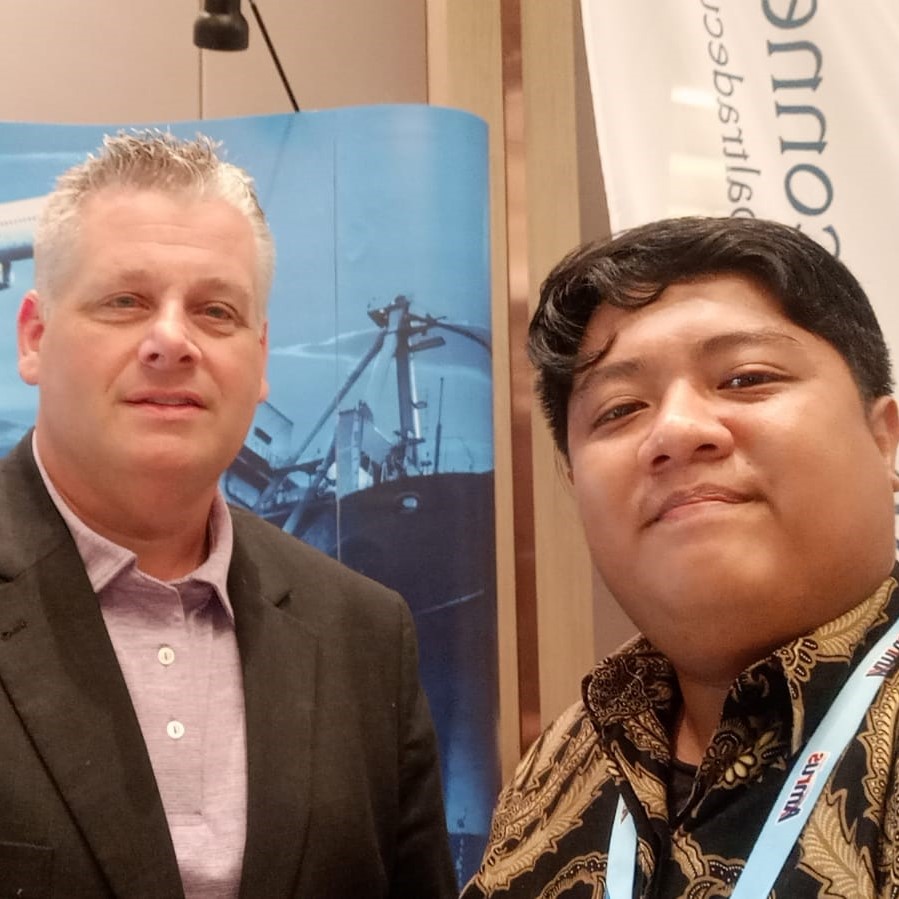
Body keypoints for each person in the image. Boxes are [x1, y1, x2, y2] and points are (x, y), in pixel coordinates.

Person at [1, 130, 456, 899]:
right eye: (124, 301)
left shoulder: (366, 635)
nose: (170, 340)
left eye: (215, 310)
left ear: (260, 356)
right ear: (35, 337)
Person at [462, 216, 899, 898]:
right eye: (618, 409)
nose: (675, 430)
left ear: (885, 438)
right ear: (574, 481)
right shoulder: (558, 762)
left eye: (745, 377)